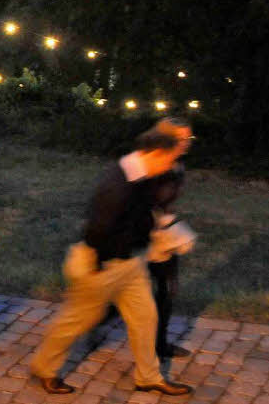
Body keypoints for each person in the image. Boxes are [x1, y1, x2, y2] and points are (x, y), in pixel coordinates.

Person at [29, 130, 193, 397]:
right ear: (155, 153)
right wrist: (100, 265)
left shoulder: (143, 176)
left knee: (145, 317)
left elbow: (146, 213)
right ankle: (44, 368)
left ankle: (148, 377)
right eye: (170, 158)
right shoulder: (118, 183)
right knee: (76, 321)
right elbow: (97, 230)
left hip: (129, 263)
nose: (171, 165)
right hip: (99, 264)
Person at [148, 117, 196, 360]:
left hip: (164, 236)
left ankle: (159, 344)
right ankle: (95, 321)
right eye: (181, 139)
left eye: (189, 138)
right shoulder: (151, 165)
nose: (186, 143)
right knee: (128, 291)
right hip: (144, 236)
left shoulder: (177, 166)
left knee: (167, 290)